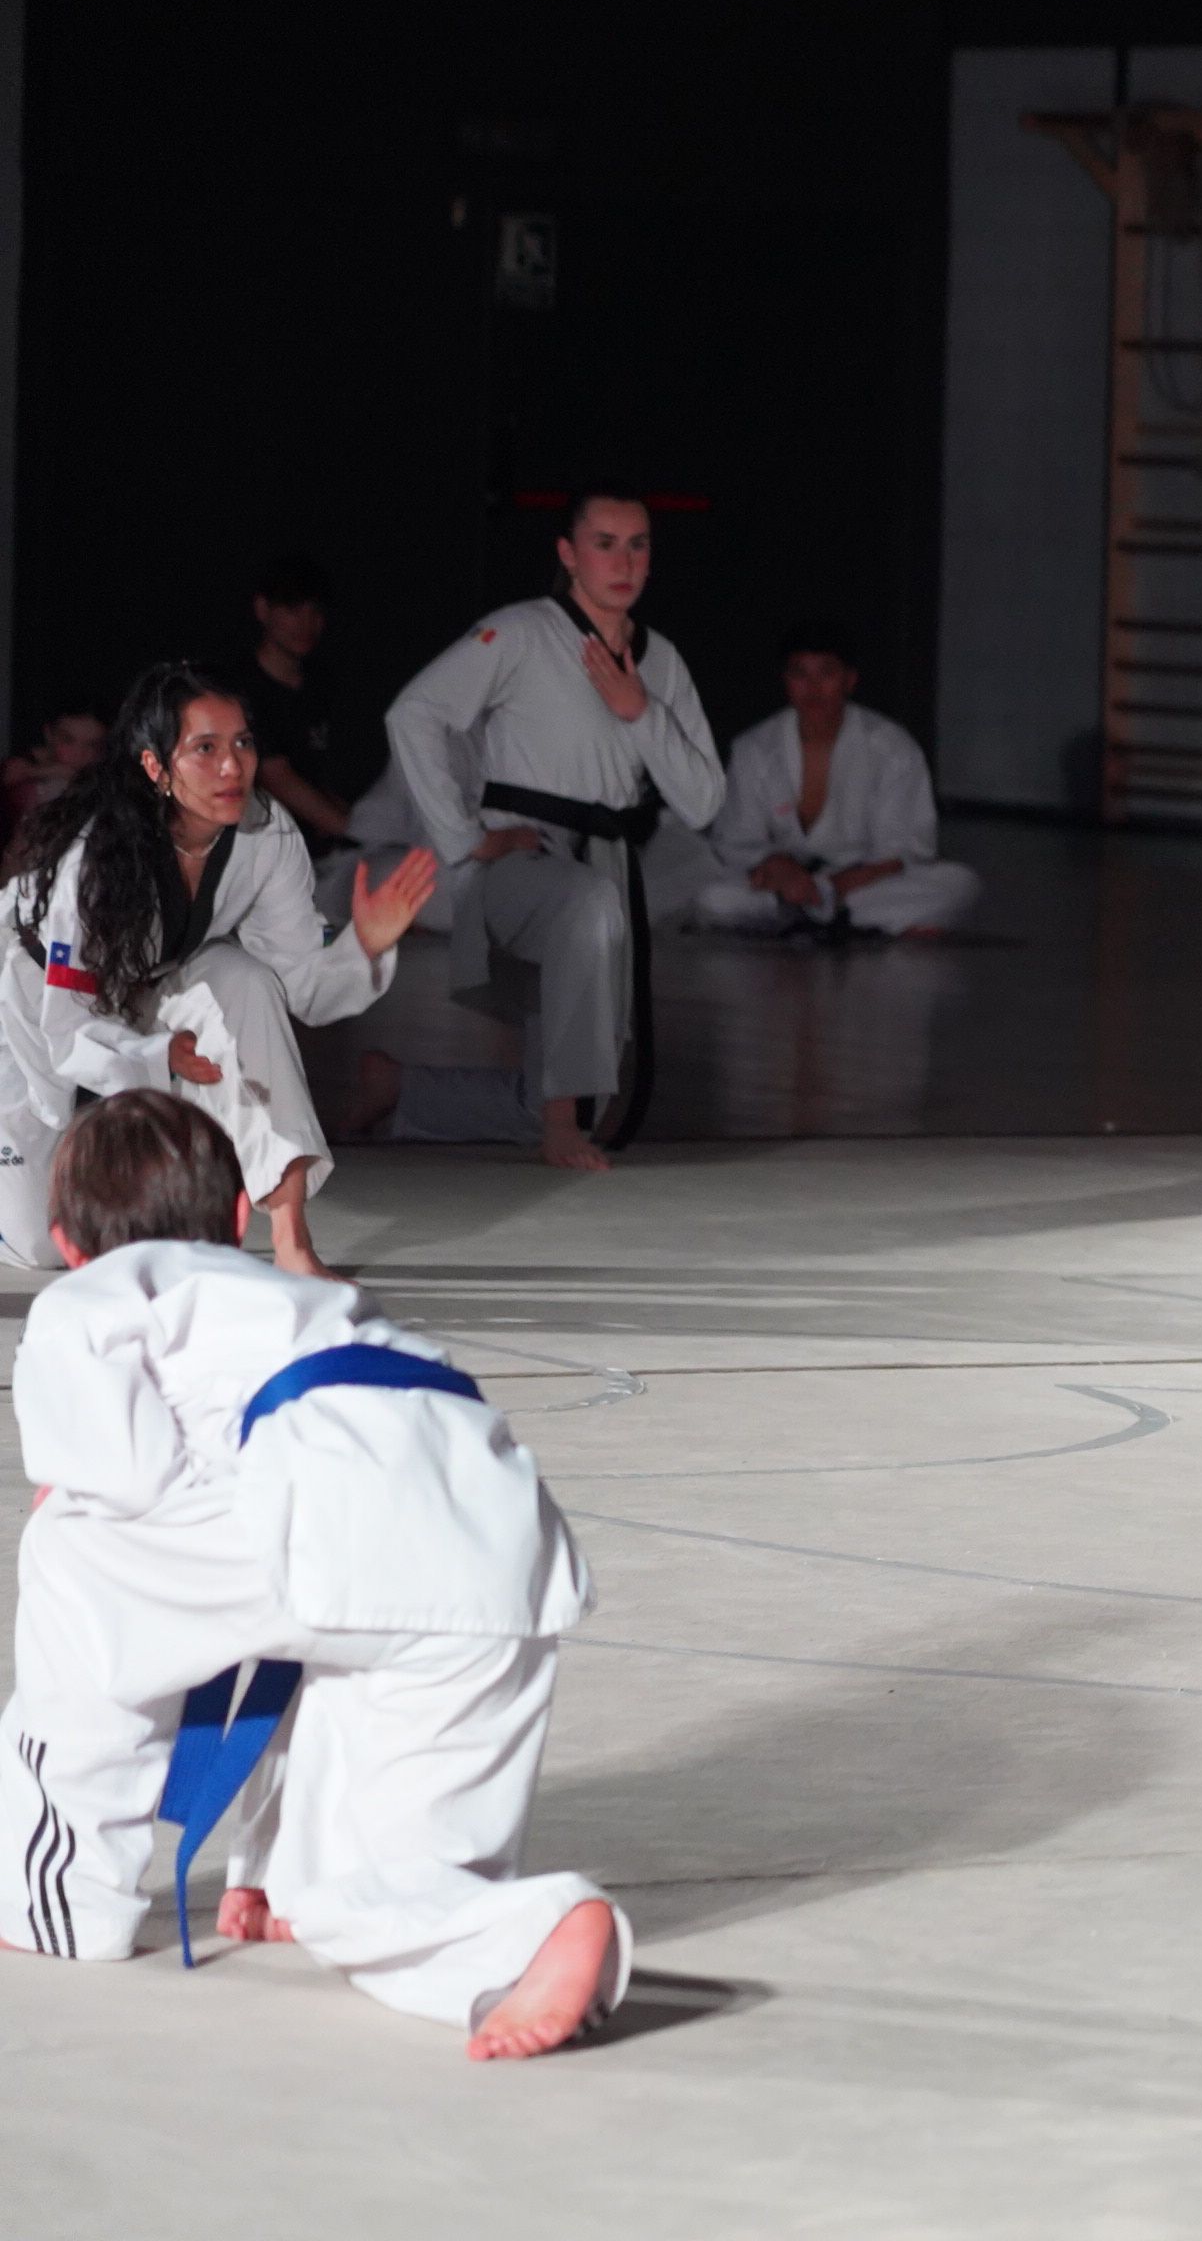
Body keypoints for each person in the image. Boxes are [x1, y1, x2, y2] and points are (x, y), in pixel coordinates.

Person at [0, 1090, 622, 2057]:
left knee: (69, 1547)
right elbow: (275, 1583)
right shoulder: (309, 1301)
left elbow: (121, 1483)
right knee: (358, 1887)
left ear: (64, 1241)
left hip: (334, 1531)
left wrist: (68, 1489)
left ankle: (58, 1903)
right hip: (504, 1540)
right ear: (238, 1217)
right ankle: (516, 1933)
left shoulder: (93, 1296)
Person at [0, 662, 436, 1277]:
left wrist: (362, 945)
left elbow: (302, 985)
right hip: (29, 1002)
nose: (233, 766)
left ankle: (292, 1240)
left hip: (148, 985)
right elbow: (66, 1026)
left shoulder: (265, 831)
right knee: (46, 1248)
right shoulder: (94, 858)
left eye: (243, 743)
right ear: (155, 766)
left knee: (245, 980)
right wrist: (159, 1056)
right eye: (205, 748)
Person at [379, 490, 724, 1171]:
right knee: (586, 908)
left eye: (638, 544)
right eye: (604, 543)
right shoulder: (520, 634)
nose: (623, 561)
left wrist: (641, 713)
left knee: (601, 1097)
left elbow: (705, 801)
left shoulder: (662, 664)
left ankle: (397, 1088)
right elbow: (412, 713)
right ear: (568, 554)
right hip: (517, 866)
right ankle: (561, 1127)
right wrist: (463, 838)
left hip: (607, 869)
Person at [691, 627, 981, 938]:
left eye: (826, 673)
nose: (812, 688)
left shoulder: (892, 748)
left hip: (858, 885)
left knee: (958, 884)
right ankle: (840, 919)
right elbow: (737, 838)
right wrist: (781, 869)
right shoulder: (754, 748)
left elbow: (902, 850)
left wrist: (828, 888)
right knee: (713, 896)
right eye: (799, 674)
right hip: (782, 888)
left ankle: (818, 914)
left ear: (850, 680)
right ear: (785, 681)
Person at [241, 554, 353, 846]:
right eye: (293, 609)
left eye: (315, 611)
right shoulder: (241, 689)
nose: (307, 623)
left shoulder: (320, 683)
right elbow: (276, 776)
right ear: (263, 609)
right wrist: (355, 832)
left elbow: (318, 773)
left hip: (315, 849)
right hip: (260, 848)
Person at [4, 710, 104, 828]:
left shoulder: (105, 777)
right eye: (68, 740)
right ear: (49, 735)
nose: (79, 753)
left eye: (92, 745)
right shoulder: (18, 770)